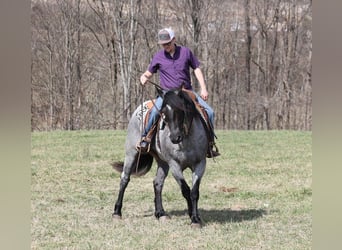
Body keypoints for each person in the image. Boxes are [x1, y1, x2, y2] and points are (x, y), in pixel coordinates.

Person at [138, 27, 220, 158]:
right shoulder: (158, 57)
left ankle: (209, 144)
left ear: (174, 40)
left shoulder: (186, 52)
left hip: (185, 92)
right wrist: (144, 77)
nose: (166, 47)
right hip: (167, 94)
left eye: (168, 44)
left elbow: (196, 69)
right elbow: (149, 72)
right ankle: (145, 139)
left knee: (209, 112)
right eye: (163, 45)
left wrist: (203, 88)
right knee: (154, 111)